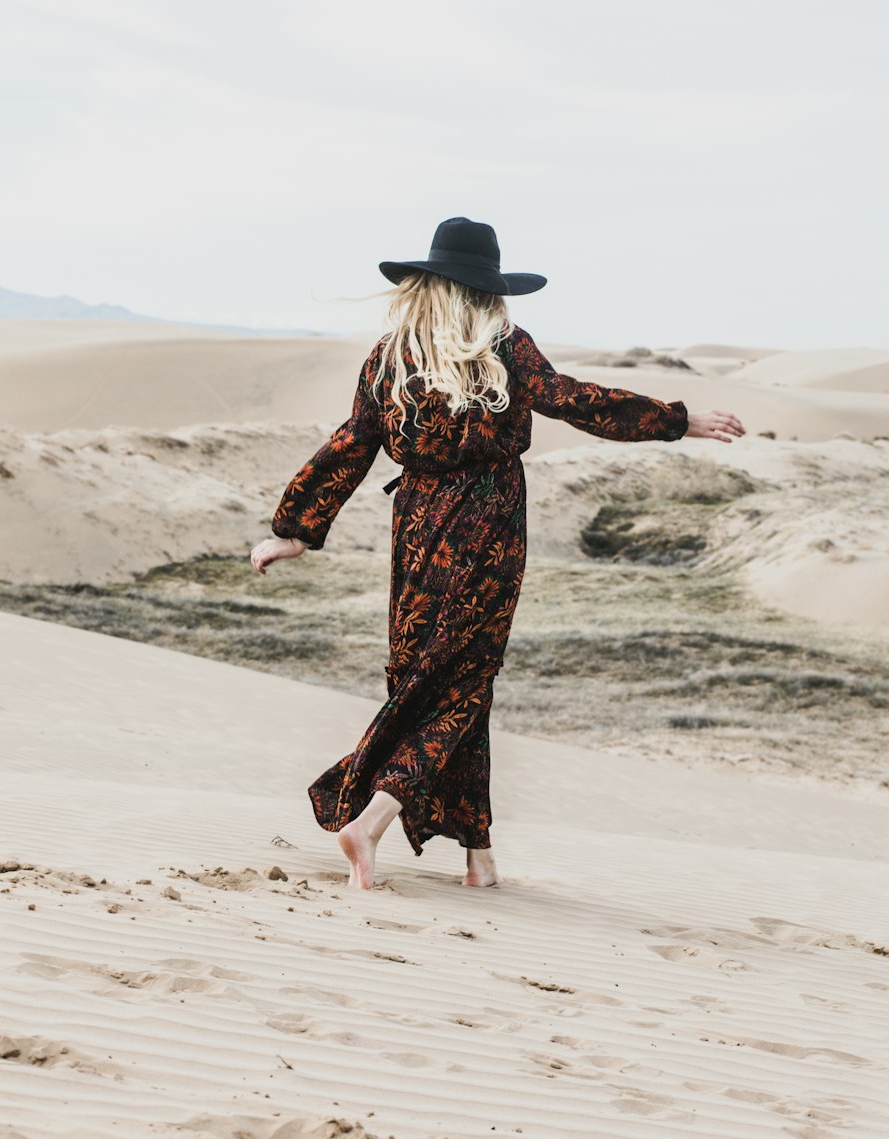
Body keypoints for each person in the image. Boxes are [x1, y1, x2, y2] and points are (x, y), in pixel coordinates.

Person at [250, 217, 745, 890]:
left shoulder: (390, 356)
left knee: (427, 677)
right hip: (488, 524)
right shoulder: (506, 347)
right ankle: (370, 819)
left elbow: (351, 444)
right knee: (462, 681)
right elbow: (573, 400)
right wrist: (676, 420)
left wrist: (296, 529)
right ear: (487, 292)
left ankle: (478, 857)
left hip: (417, 527)